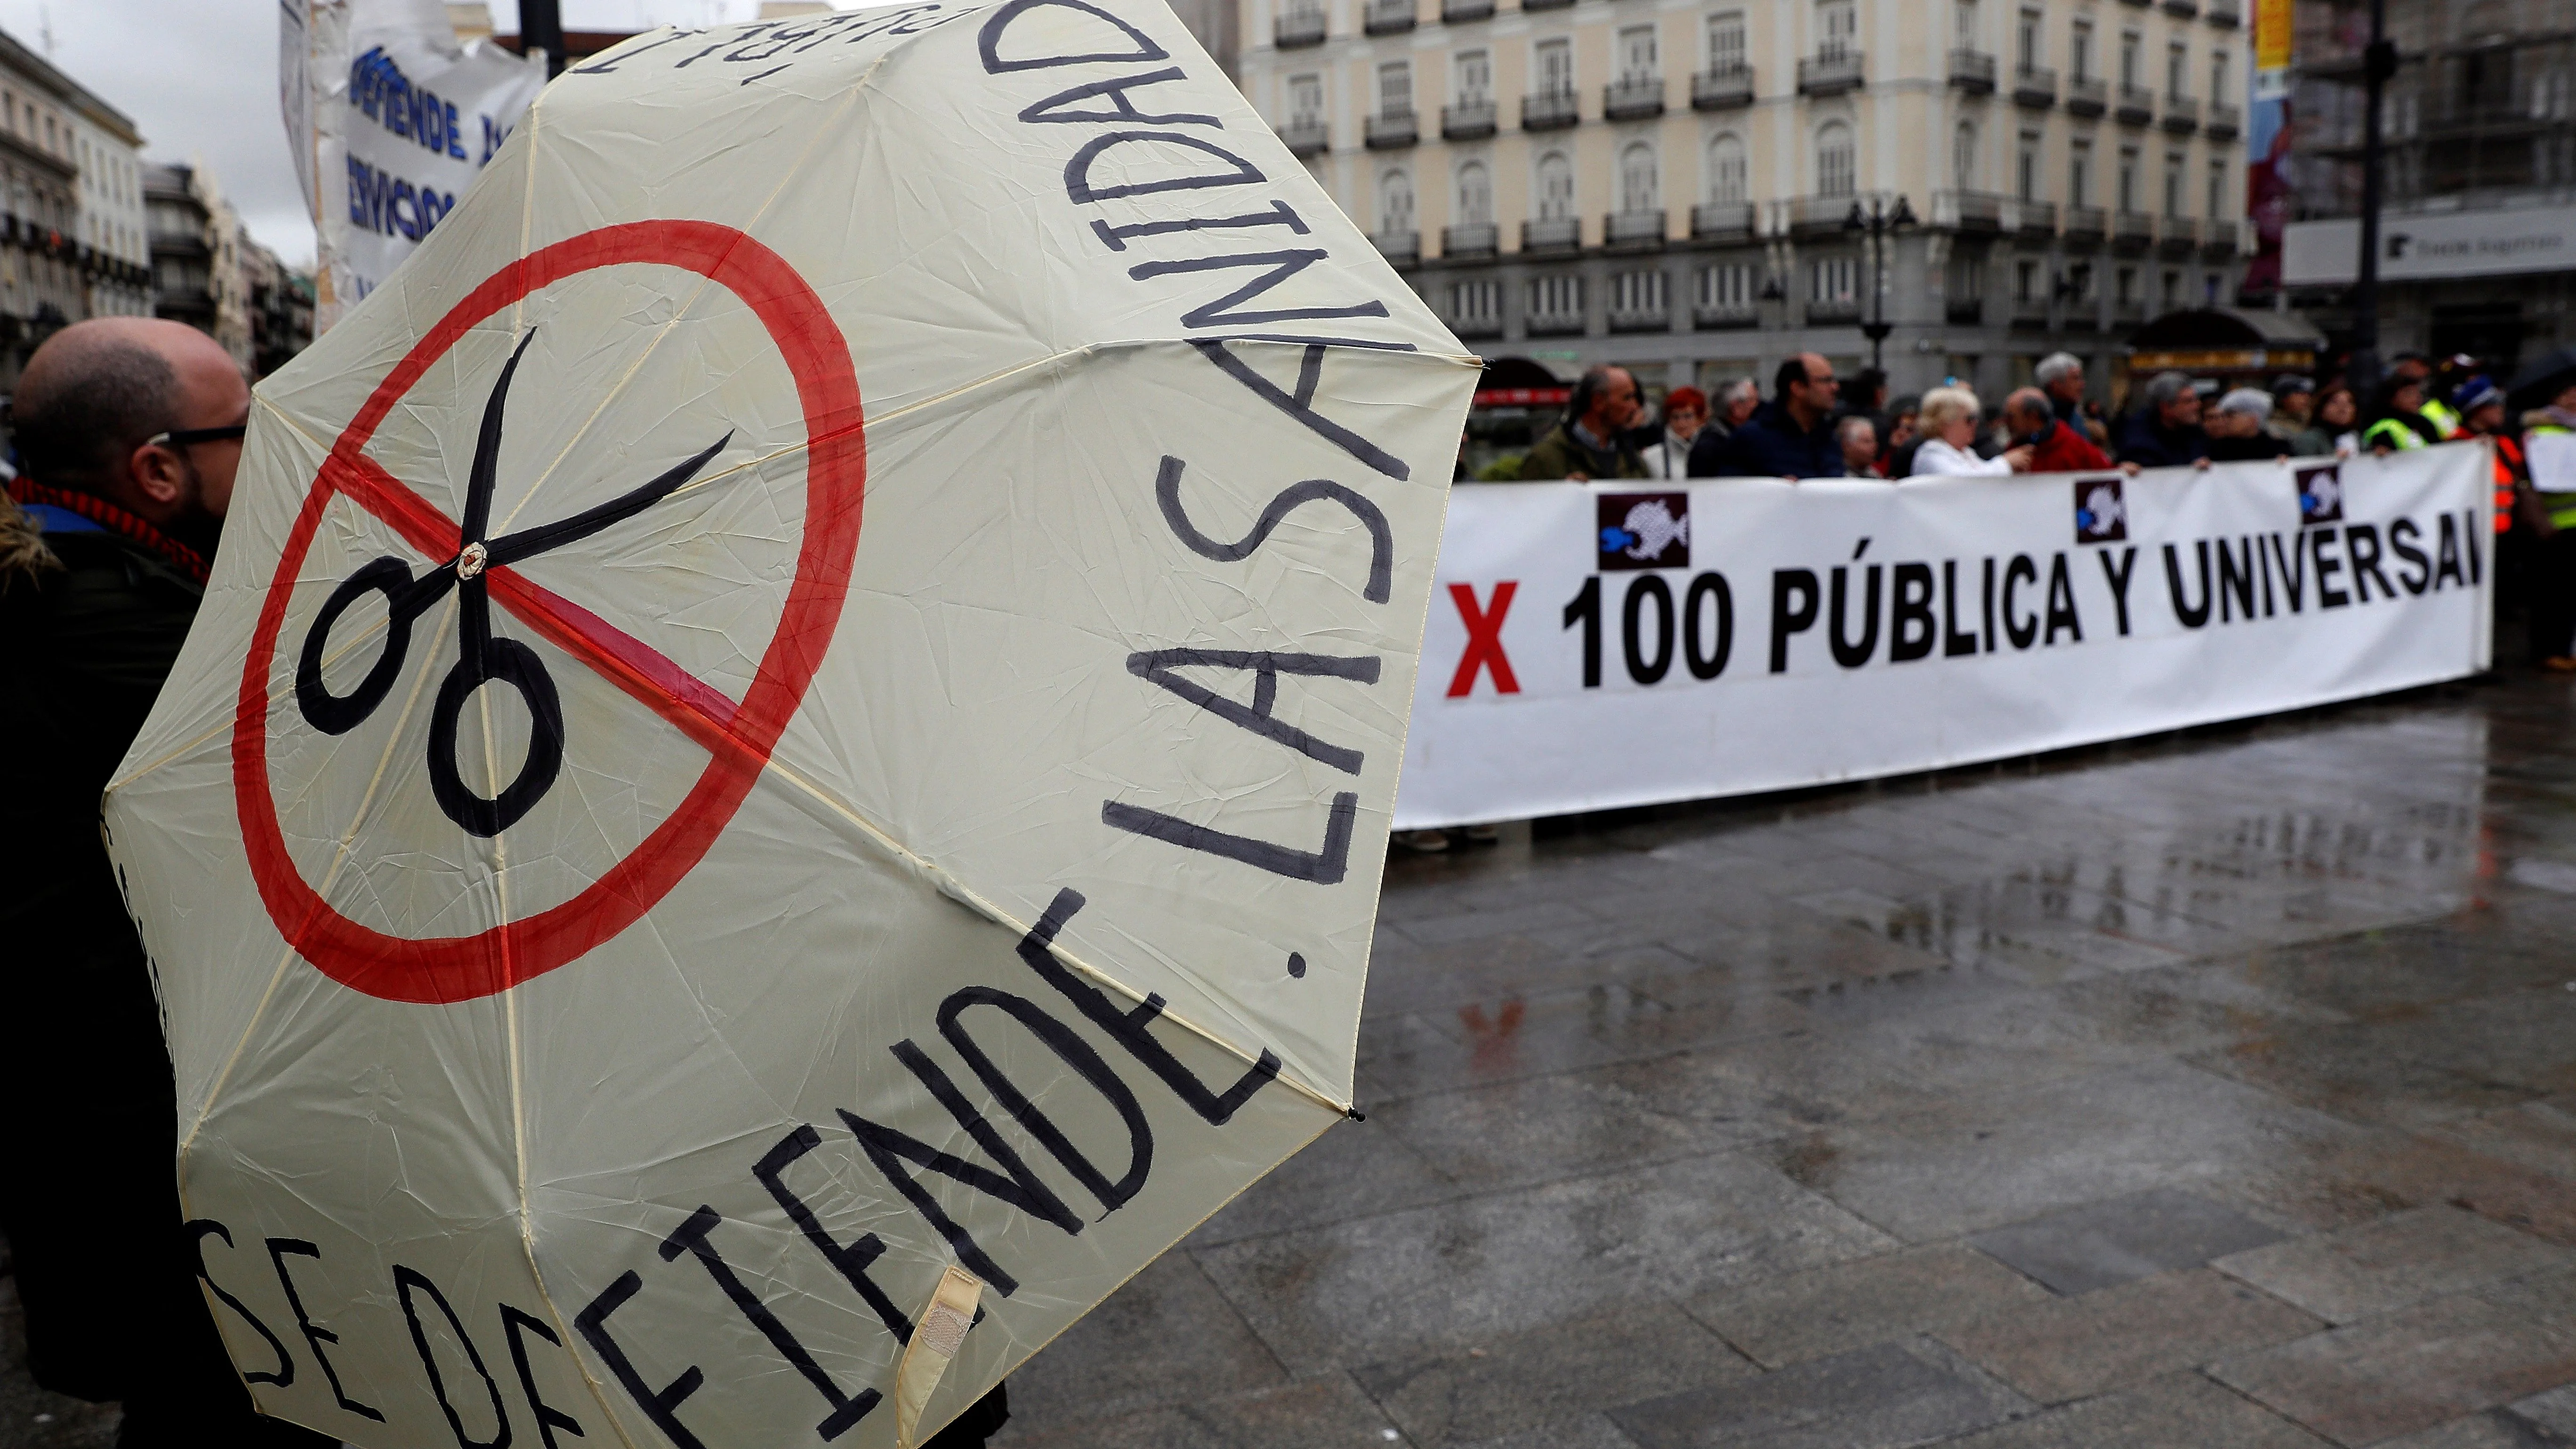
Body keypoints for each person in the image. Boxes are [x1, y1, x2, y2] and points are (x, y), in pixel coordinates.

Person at [0, 320, 334, 1449]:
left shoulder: (64, 595)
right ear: (157, 469)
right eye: (247, 430)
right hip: (169, 1157)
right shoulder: (140, 642)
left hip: (94, 1146)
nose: (267, 452)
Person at [1690, 354, 1844, 478]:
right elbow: (1731, 496)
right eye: (1825, 381)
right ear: (1797, 388)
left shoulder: (1828, 436)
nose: (1835, 387)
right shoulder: (1752, 439)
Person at [2521, 379, 2576, 670]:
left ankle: (2565, 648)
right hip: (2551, 524)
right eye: (2568, 394)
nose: (2574, 400)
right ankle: (2547, 650)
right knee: (2551, 592)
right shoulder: (2540, 433)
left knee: (2568, 593)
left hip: (2573, 522)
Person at [1518, 365, 1648, 480]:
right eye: (1627, 398)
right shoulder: (1546, 458)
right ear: (1598, 402)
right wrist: (1561, 494)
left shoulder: (1631, 457)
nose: (1635, 406)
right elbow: (1529, 505)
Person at [1907, 387, 2029, 476]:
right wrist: (2006, 464)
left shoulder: (1966, 453)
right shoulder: (1930, 455)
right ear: (1946, 422)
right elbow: (1965, 483)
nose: (1975, 424)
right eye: (1970, 419)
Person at [2002, 387, 2122, 473]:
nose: (2006, 423)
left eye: (2011, 417)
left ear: (2033, 416)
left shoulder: (2076, 448)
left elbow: (2108, 475)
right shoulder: (2013, 451)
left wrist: (2123, 473)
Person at [2114, 371, 2214, 468]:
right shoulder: (2139, 442)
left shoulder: (2196, 432)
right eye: (2188, 401)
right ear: (2166, 408)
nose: (2197, 405)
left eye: (2196, 399)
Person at [1639, 385, 1707, 480]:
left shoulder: (1714, 454)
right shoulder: (1650, 457)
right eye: (1675, 417)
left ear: (1701, 419)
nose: (1681, 424)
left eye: (1688, 416)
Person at [2206, 388, 2294, 461]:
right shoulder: (2217, 449)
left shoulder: (2278, 448)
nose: (2224, 421)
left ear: (2253, 418)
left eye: (2231, 416)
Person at [2361, 373, 2434, 454]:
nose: (2416, 398)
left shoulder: (2424, 423)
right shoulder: (2383, 429)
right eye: (2409, 393)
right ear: (2392, 398)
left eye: (2418, 393)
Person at [2295, 382, 2360, 457]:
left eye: (2349, 402)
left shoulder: (2358, 438)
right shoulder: (2309, 440)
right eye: (2335, 402)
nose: (2343, 408)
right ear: (2322, 409)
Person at [2267, 375, 2316, 447]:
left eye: (2308, 394)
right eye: (2299, 393)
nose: (2306, 398)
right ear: (2283, 398)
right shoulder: (2272, 426)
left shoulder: (2311, 418)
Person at [1836, 414, 1885, 478]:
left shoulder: (1876, 476)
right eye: (1867, 442)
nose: (1874, 446)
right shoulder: (1836, 478)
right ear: (1847, 445)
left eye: (1874, 441)